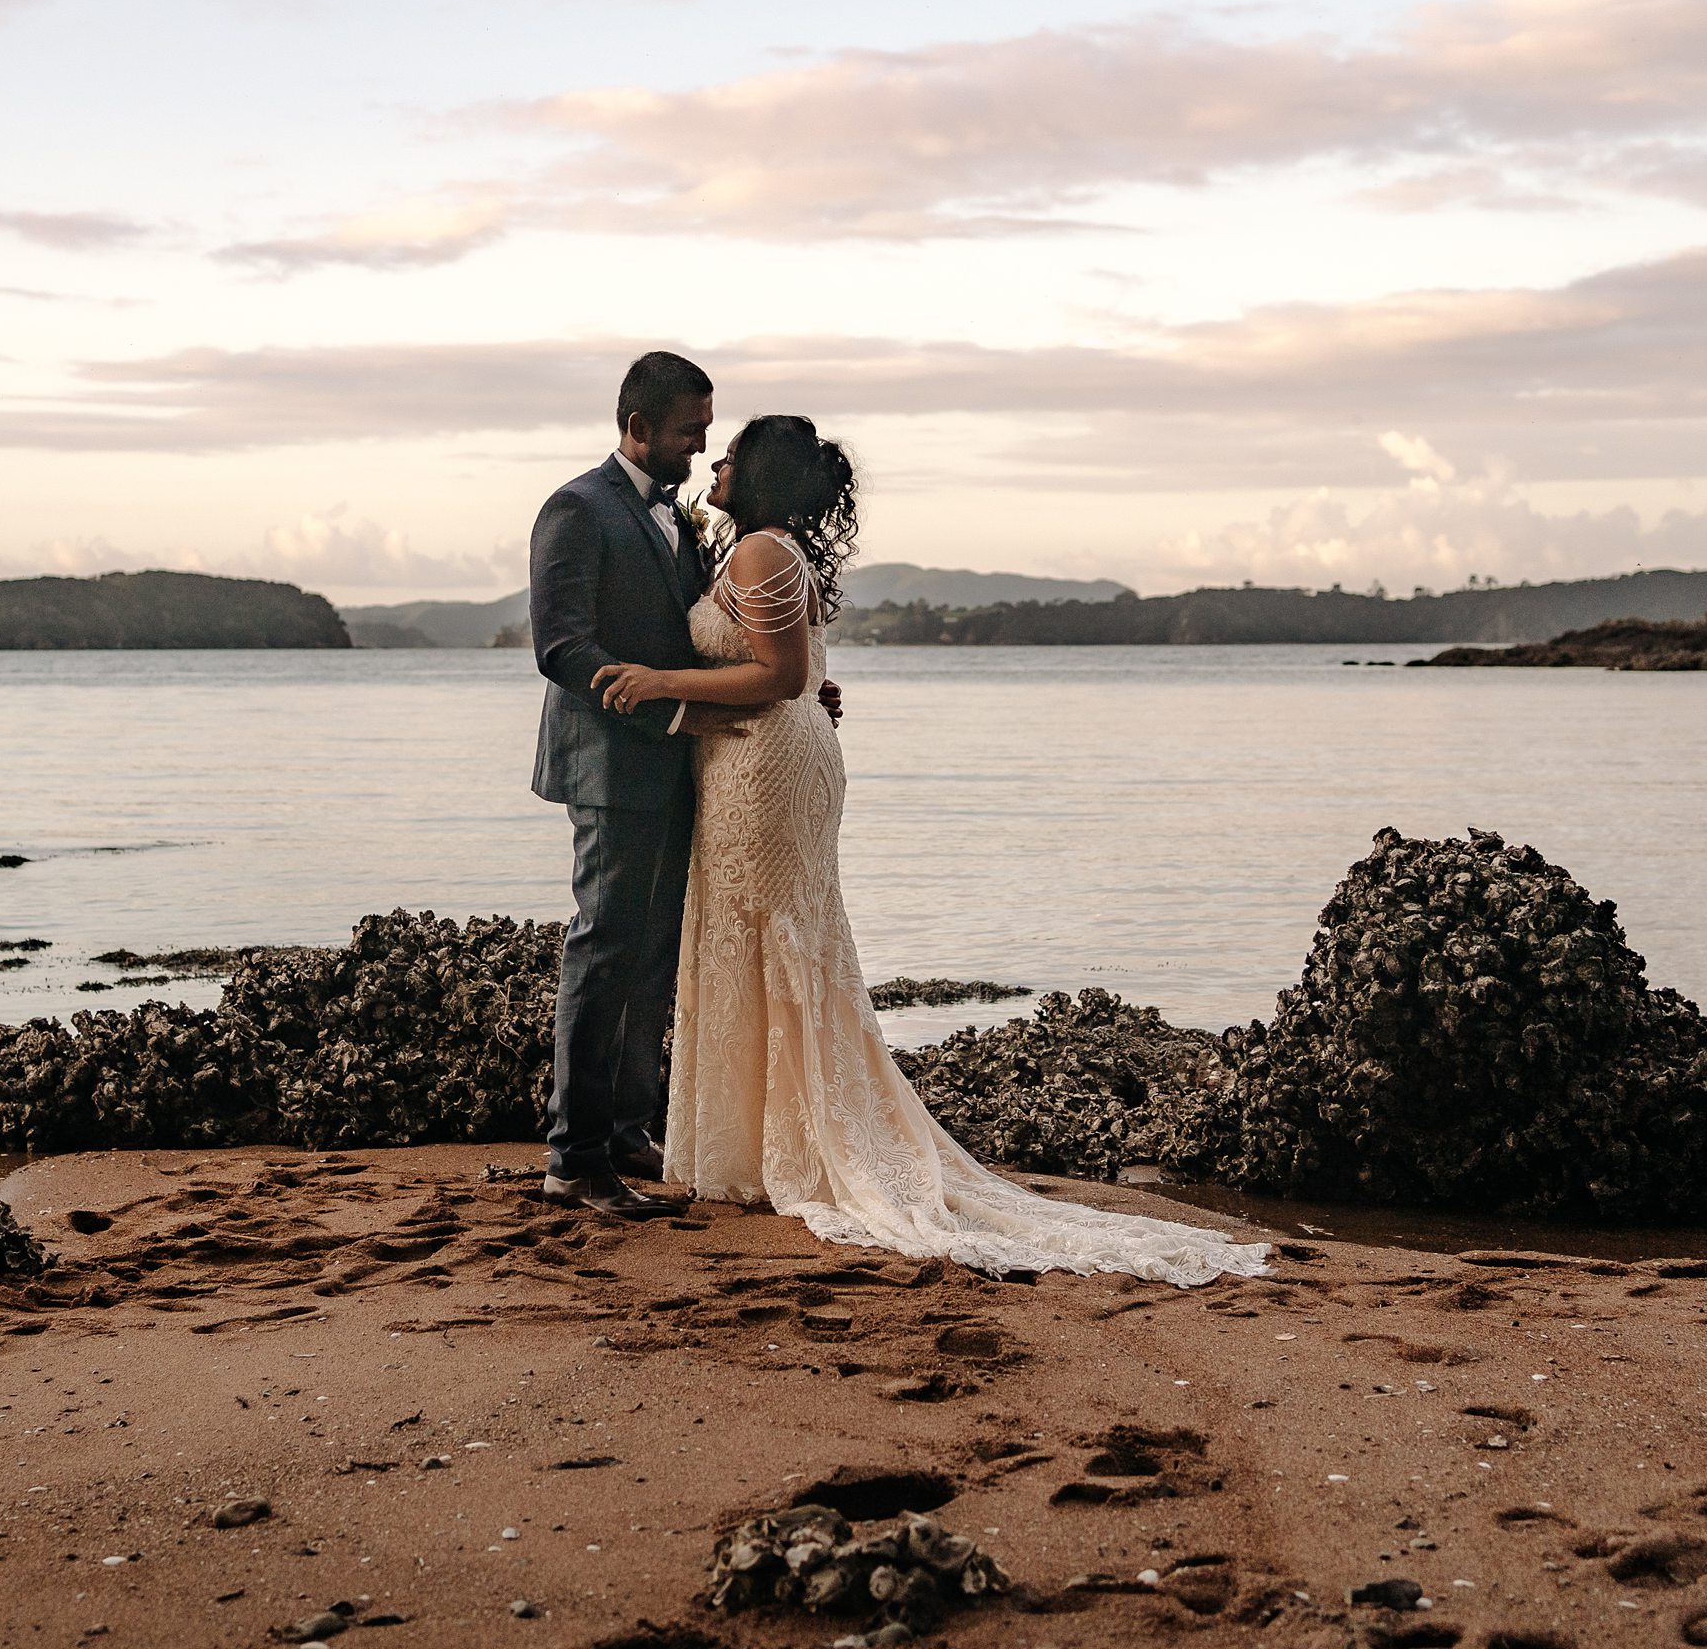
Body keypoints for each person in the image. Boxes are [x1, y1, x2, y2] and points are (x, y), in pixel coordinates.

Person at [591, 415, 1266, 1284]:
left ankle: (795, 1147)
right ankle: (763, 1144)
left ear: (758, 474)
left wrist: (660, 681)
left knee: (771, 941)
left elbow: (783, 676)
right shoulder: (764, 548)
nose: (715, 461)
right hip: (758, 760)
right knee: (765, 940)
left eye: (731, 452)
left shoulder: (761, 551)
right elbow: (794, 668)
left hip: (763, 770)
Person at [527, 353, 838, 1219]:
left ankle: (628, 1131)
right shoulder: (577, 509)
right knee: (604, 950)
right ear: (636, 427)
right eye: (688, 433)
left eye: (709, 434)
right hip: (614, 763)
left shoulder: (682, 520)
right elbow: (561, 647)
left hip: (693, 769)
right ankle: (574, 1159)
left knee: (656, 955)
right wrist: (665, 712)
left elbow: (715, 640)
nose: (701, 451)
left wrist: (802, 686)